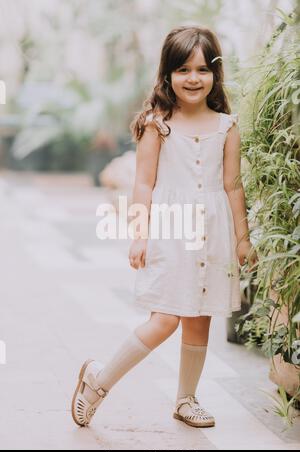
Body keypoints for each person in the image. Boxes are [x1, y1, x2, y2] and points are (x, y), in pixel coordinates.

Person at [71, 25, 258, 429]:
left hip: (214, 233)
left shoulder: (227, 126)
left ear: (215, 75)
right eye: (184, 69)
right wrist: (140, 234)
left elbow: (232, 184)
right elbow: (144, 183)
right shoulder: (158, 124)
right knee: (165, 319)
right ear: (168, 73)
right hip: (171, 232)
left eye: (203, 69)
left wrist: (243, 239)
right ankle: (97, 383)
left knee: (200, 317)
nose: (194, 78)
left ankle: (185, 399)